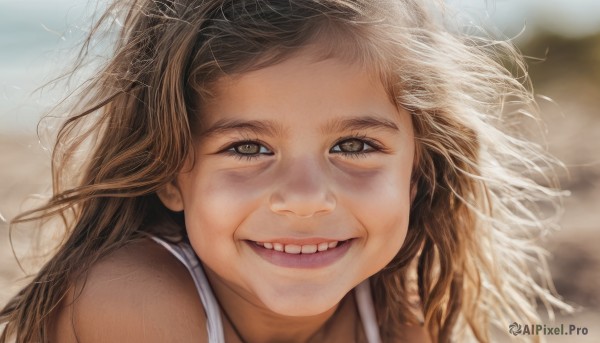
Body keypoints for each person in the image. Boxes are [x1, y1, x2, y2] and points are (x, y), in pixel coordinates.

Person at [0, 0, 571, 342]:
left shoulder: (400, 319)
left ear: (418, 172)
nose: (304, 199)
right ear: (172, 173)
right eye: (248, 149)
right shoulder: (128, 297)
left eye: (354, 144)